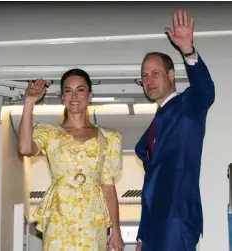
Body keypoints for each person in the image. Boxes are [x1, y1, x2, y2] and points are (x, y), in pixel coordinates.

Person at [135, 9, 215, 251]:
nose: (149, 80)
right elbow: (151, 185)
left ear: (171, 75)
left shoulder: (187, 107)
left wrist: (188, 52)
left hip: (177, 218)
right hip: (153, 229)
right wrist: (142, 235)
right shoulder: (152, 126)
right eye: (144, 76)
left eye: (155, 73)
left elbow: (205, 91)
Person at [18, 69, 125, 251]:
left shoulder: (109, 138)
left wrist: (116, 229)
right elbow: (25, 148)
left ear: (90, 95)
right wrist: (29, 103)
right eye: (68, 90)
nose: (74, 96)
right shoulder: (50, 134)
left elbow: (108, 186)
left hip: (93, 219)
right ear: (63, 97)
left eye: (80, 90)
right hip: (60, 216)